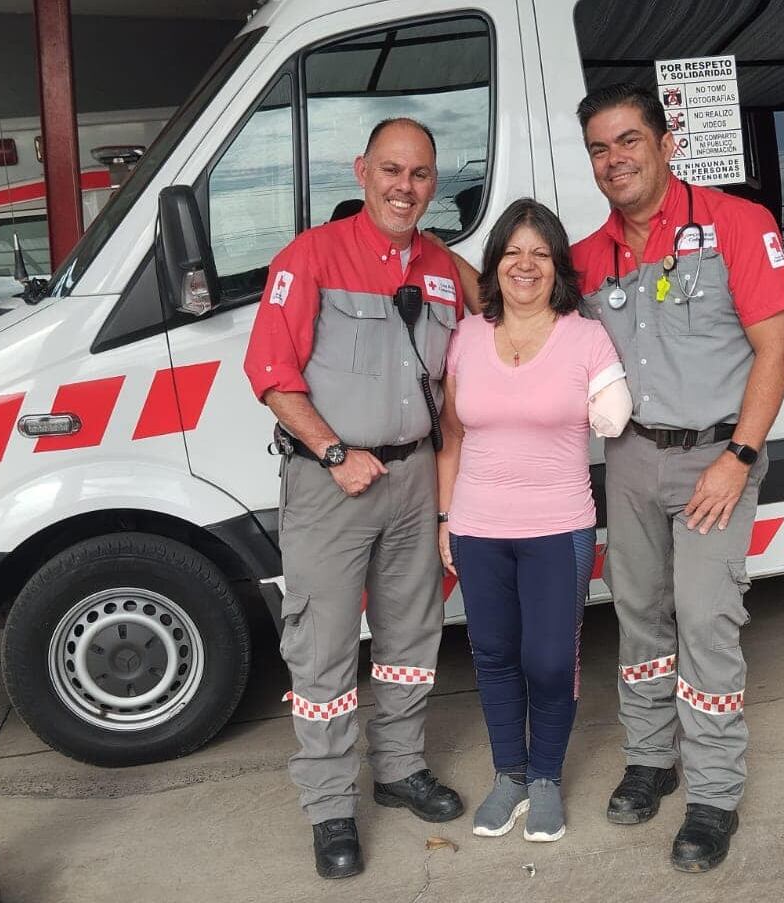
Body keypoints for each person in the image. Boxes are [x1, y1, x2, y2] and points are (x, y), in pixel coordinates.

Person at [571, 84, 784, 872]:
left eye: (629, 140)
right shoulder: (587, 257)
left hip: (715, 455)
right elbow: (516, 302)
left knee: (704, 618)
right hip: (630, 455)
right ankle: (649, 756)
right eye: (600, 148)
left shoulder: (738, 224)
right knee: (637, 611)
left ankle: (713, 792)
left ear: (666, 143)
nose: (615, 159)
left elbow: (776, 347)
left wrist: (738, 456)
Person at [243, 117, 466, 881]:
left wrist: (442, 500)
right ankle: (331, 806)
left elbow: (471, 358)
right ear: (362, 171)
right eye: (393, 171)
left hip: (414, 480)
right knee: (324, 645)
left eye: (422, 174)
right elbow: (271, 371)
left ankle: (400, 770)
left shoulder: (441, 267)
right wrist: (334, 452)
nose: (406, 187)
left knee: (412, 636)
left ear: (434, 183)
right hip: (333, 482)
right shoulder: (310, 257)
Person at [436, 198, 630, 844]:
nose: (526, 264)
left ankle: (545, 777)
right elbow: (452, 436)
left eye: (540, 253)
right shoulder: (467, 336)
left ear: (557, 267)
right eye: (513, 252)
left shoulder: (584, 335)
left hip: (558, 524)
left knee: (548, 658)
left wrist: (611, 401)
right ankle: (510, 774)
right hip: (478, 523)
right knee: (493, 655)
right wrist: (445, 515)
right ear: (494, 265)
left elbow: (613, 408)